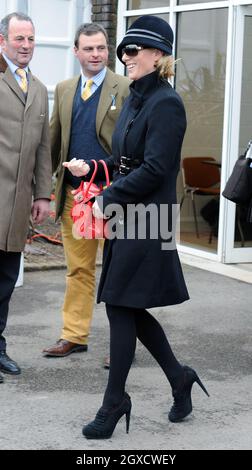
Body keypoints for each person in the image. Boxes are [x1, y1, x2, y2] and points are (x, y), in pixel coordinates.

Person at [65, 15, 210, 439]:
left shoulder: (167, 103)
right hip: (128, 216)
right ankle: (178, 378)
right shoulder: (135, 97)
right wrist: (91, 167)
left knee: (120, 304)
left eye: (134, 50)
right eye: (123, 50)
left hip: (149, 220)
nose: (124, 57)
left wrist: (105, 199)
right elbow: (124, 158)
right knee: (125, 304)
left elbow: (156, 168)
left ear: (158, 55)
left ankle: (114, 402)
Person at [42, 23, 130, 359]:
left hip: (114, 196)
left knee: (119, 271)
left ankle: (123, 343)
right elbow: (53, 142)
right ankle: (74, 335)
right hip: (76, 199)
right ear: (76, 52)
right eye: (89, 49)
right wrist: (45, 191)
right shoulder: (64, 89)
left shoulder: (124, 87)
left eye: (102, 48)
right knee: (78, 270)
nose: (96, 55)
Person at [0, 12, 52, 383]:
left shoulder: (39, 89)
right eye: (19, 39)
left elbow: (43, 149)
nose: (26, 46)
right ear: (2, 41)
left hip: (18, 208)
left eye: (31, 39)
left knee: (5, 281)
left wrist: (44, 194)